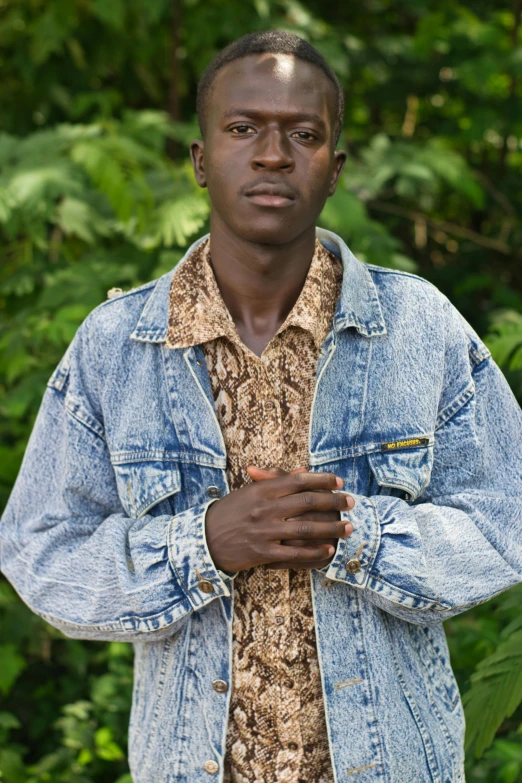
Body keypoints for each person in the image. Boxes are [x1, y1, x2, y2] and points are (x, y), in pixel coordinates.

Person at [1, 28, 522, 783]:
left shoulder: (420, 327)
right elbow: (39, 550)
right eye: (244, 128)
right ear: (201, 160)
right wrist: (201, 545)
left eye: (302, 134)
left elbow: (507, 511)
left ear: (333, 168)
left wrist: (358, 534)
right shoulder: (115, 348)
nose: (273, 154)